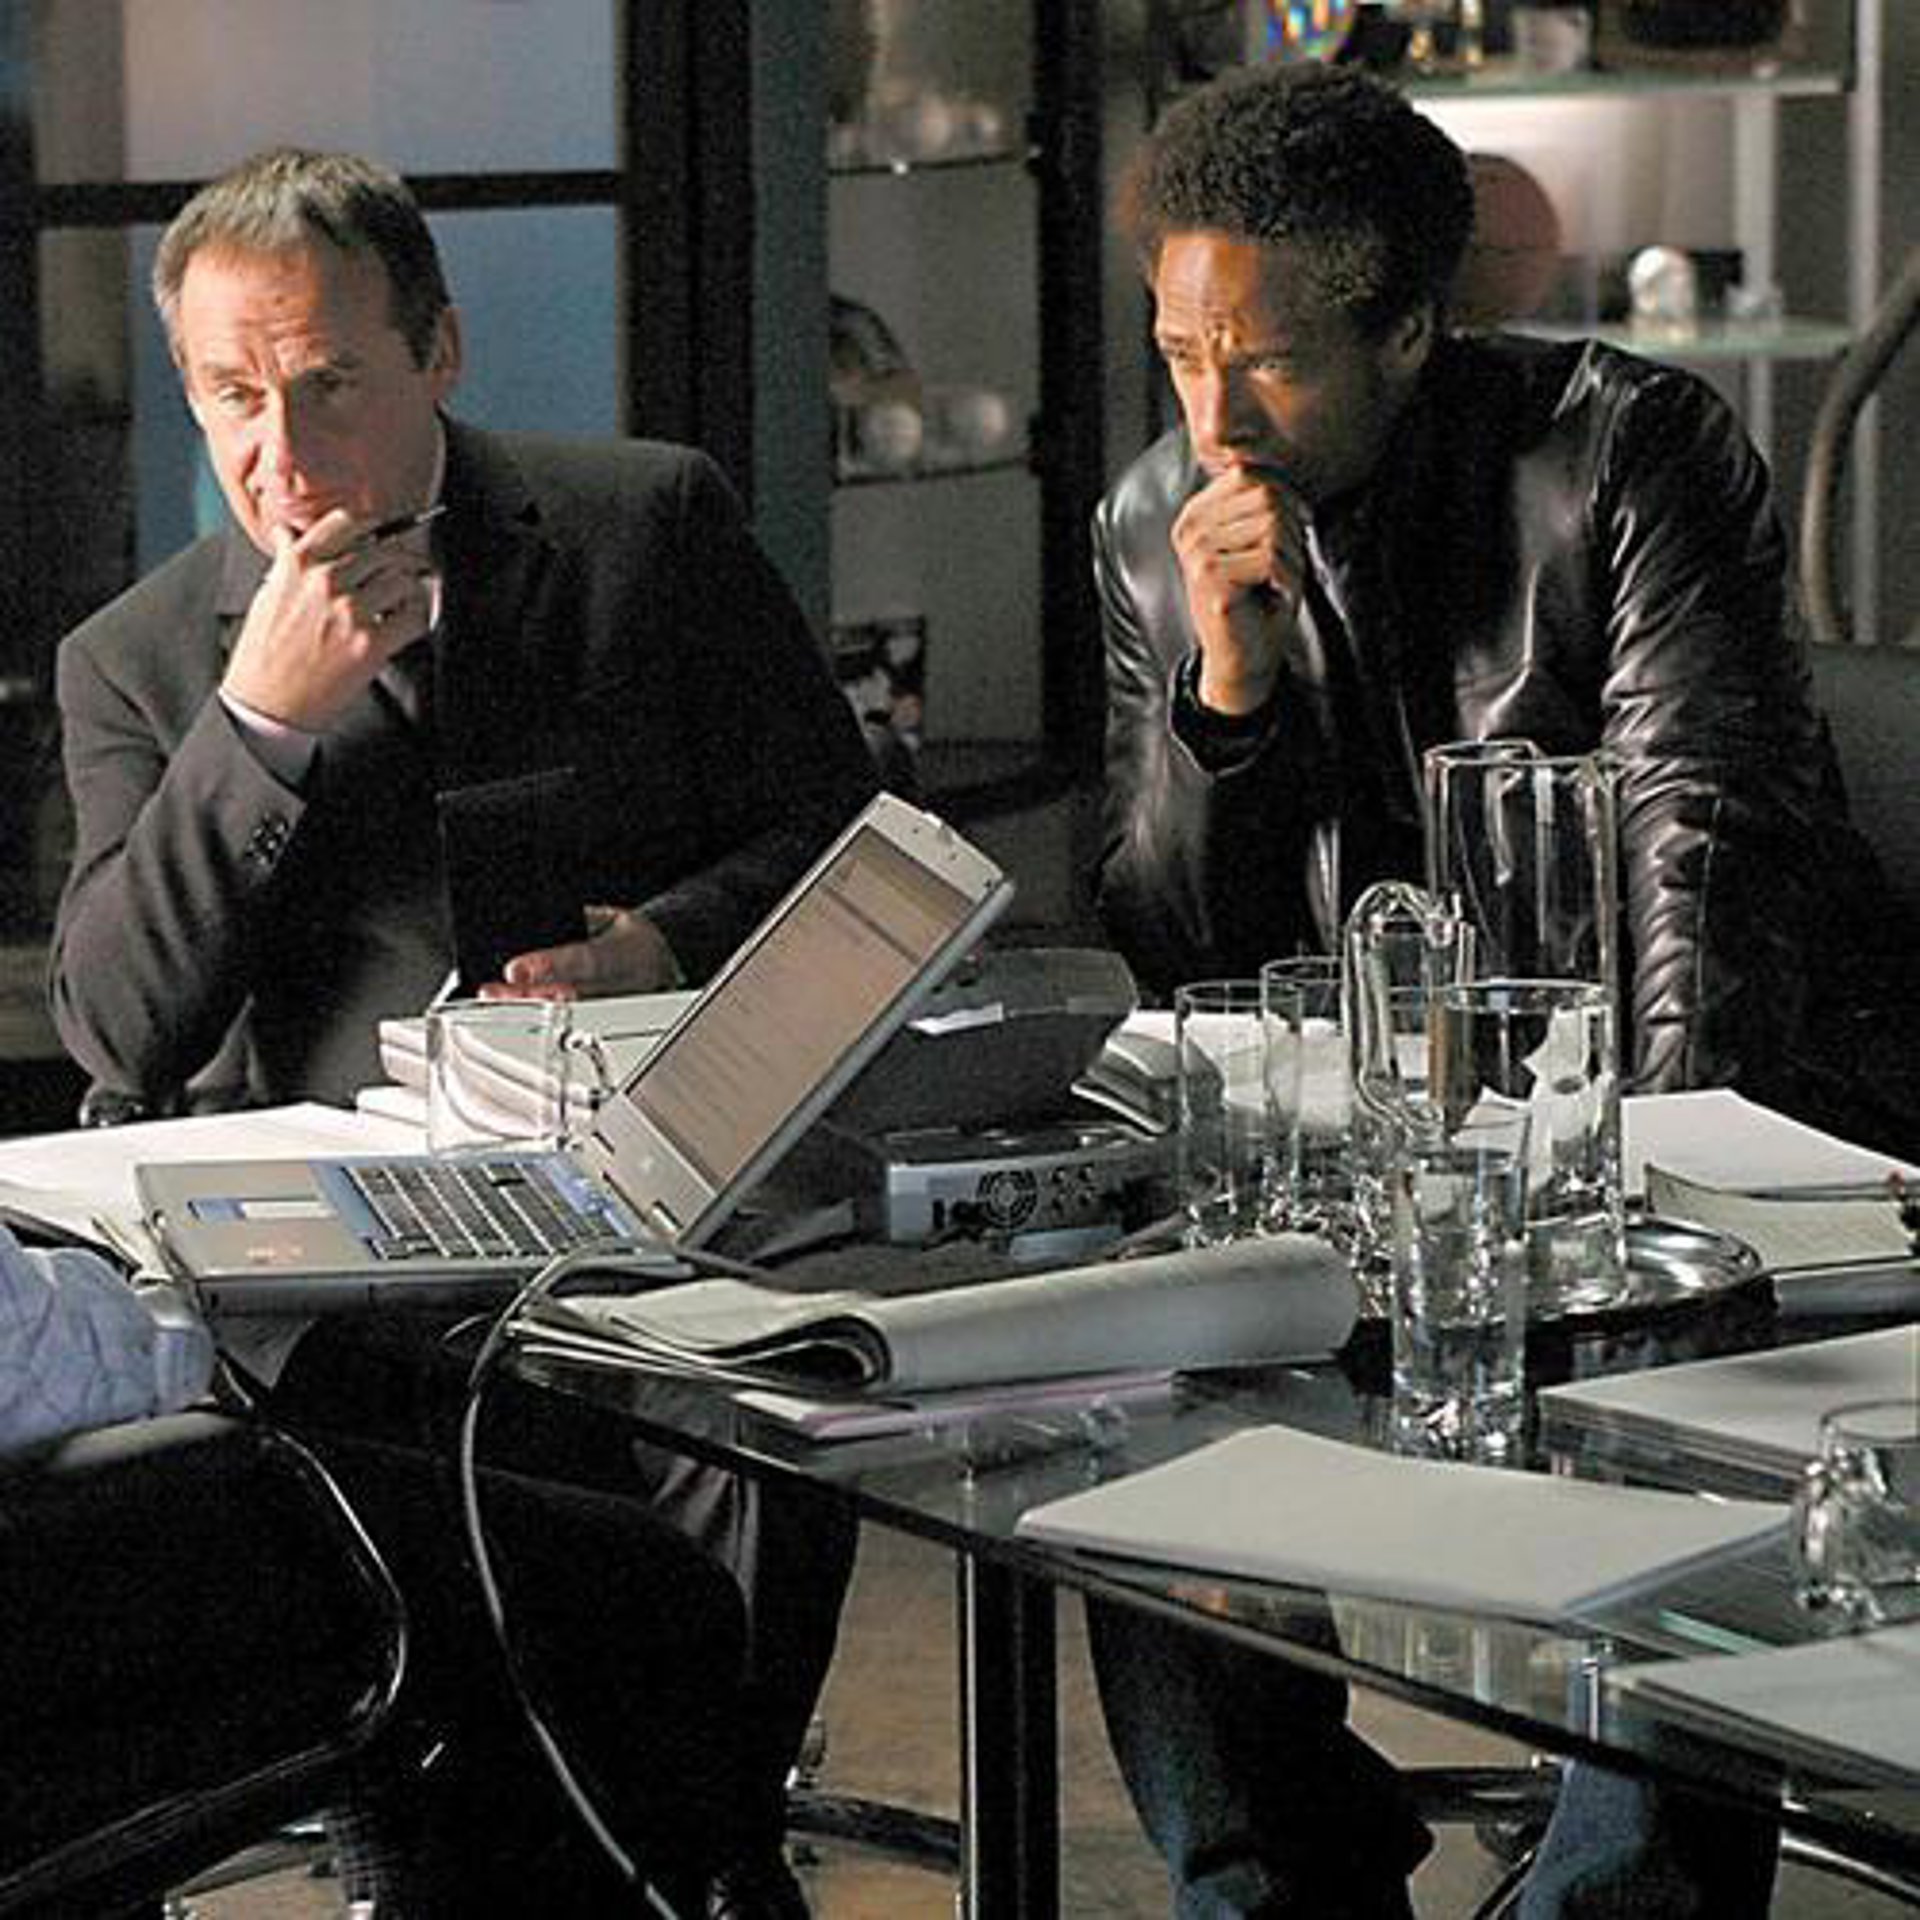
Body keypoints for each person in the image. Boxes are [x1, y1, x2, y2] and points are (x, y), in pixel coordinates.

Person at [1089, 61, 1907, 1918]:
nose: (1214, 416)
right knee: (1131, 1376)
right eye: (1179, 354)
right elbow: (1176, 944)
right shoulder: (1159, 521)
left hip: (1705, 1107)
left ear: (1409, 329)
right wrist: (1226, 694)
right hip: (1376, 1139)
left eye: (1266, 362)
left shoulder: (1624, 451)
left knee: (1681, 1369)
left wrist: (1637, 1184)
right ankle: (1277, 1879)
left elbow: (1703, 848)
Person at [50, 147, 880, 1917]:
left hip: (653, 1199)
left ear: (438, 351)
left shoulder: (645, 526)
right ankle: (657, 1876)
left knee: (766, 1434)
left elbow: (835, 834)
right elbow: (117, 1023)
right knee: (470, 1535)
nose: (282, 449)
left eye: (328, 382)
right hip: (344, 1286)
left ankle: (683, 1861)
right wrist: (259, 728)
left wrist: (659, 941)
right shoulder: (137, 659)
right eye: (232, 396)